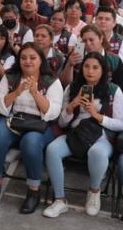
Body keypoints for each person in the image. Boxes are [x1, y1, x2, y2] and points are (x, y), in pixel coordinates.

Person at [0, 43, 63, 213]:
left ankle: (33, 191)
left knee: (31, 143)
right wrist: (17, 91)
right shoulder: (10, 76)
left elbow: (53, 113)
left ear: (41, 60)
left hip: (39, 124)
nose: (28, 61)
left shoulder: (51, 81)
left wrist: (35, 92)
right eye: (24, 58)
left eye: (33, 58)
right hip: (14, 119)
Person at [44, 52, 123, 218]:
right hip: (76, 134)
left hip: (101, 136)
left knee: (98, 152)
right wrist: (71, 106)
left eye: (95, 67)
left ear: (103, 70)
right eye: (87, 66)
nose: (90, 71)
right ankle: (59, 200)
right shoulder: (72, 88)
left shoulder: (113, 91)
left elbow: (120, 123)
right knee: (52, 149)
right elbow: (62, 124)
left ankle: (94, 191)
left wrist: (96, 115)